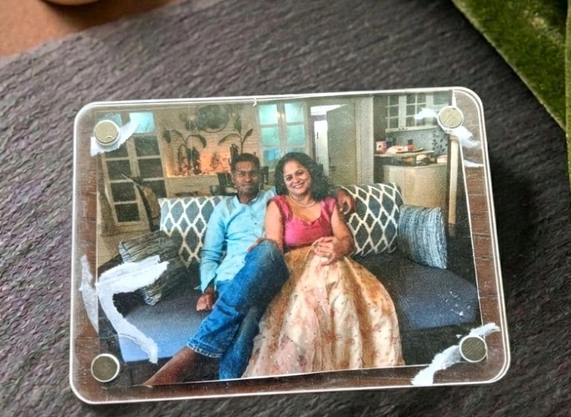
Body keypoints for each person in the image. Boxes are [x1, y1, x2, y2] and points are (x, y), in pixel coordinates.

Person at [145, 153, 354, 386]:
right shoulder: (223, 209)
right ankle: (229, 385)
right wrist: (208, 289)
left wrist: (339, 191)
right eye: (241, 174)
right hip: (232, 277)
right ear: (232, 178)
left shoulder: (275, 197)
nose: (247, 178)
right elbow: (210, 254)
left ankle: (194, 351)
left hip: (269, 269)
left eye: (253, 173)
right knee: (250, 316)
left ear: (260, 176)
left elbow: (306, 186)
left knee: (267, 249)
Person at [243, 152, 404, 378]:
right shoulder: (278, 205)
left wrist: (340, 246)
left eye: (299, 173)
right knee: (306, 312)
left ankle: (345, 371)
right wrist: (263, 246)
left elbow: (347, 240)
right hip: (297, 272)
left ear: (310, 172)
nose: (295, 180)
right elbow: (275, 250)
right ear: (283, 183)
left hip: (334, 265)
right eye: (289, 177)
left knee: (358, 302)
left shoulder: (328, 203)